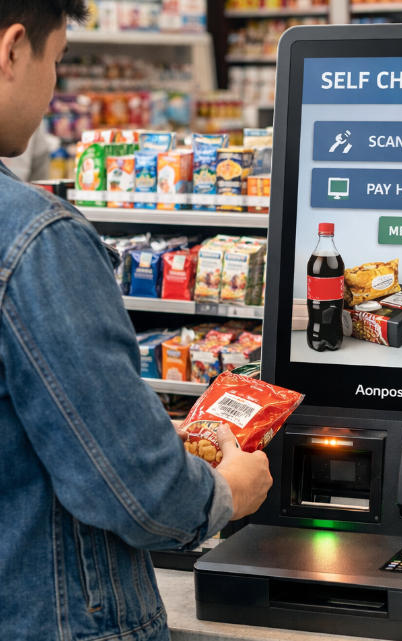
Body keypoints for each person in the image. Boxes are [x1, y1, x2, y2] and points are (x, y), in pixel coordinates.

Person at [0, 3, 273, 640]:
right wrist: (225, 490)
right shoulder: (37, 239)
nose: (53, 90)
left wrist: (133, 426)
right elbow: (138, 493)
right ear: (12, 49)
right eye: (58, 59)